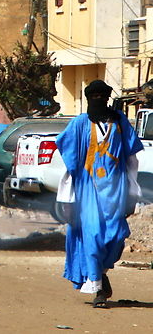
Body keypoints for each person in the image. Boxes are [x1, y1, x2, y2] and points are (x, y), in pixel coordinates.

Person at [55, 79, 143, 307]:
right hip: (88, 191)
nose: (98, 100)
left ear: (107, 98)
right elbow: (70, 165)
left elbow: (132, 160)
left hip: (116, 191)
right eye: (93, 97)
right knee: (93, 237)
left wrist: (133, 193)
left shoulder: (120, 122)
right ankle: (98, 290)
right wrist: (67, 199)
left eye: (101, 97)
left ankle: (102, 273)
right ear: (88, 99)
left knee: (117, 236)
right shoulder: (79, 124)